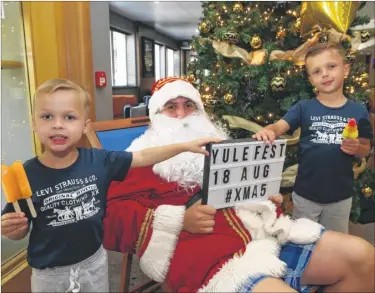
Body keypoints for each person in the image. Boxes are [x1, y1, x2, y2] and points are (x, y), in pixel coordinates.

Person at [103, 77, 374, 293]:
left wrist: (264, 197)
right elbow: (109, 219)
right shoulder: (140, 158)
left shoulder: (221, 145)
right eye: (171, 107)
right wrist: (179, 219)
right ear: (156, 115)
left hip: (266, 234)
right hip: (212, 263)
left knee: (364, 259)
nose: (182, 114)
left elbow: (246, 188)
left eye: (189, 105)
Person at [0, 79, 221, 293]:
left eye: (69, 117)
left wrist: (183, 146)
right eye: (47, 116)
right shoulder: (26, 174)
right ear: (34, 123)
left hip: (94, 263)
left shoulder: (99, 160)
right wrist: (14, 231)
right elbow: (17, 228)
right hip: (49, 274)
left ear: (85, 125)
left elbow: (143, 156)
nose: (58, 124)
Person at [253, 43, 373, 234]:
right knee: (302, 240)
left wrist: (357, 147)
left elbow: (366, 148)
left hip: (340, 197)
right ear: (311, 80)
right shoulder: (304, 107)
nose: (324, 74)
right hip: (305, 195)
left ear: (346, 69)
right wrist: (269, 130)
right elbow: (279, 126)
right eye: (317, 71)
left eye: (331, 66)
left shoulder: (358, 110)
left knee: (335, 243)